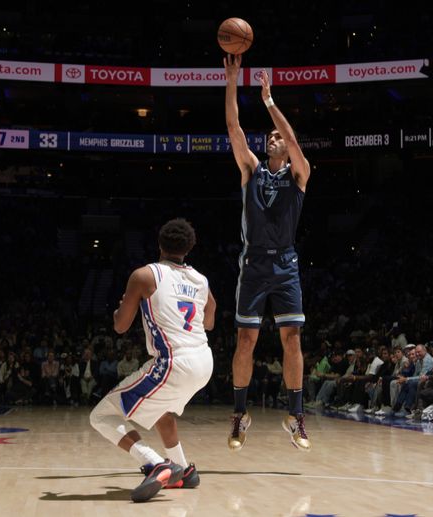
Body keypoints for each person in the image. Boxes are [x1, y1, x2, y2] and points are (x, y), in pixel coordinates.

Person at [88, 218, 217, 503]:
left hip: (173, 363)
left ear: (159, 244)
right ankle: (183, 469)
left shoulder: (145, 275)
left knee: (101, 416)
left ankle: (156, 463)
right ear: (190, 248)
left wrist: (118, 310)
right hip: (204, 361)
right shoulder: (200, 279)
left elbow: (120, 326)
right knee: (161, 411)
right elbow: (210, 317)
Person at [224, 54, 312, 452]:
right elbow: (233, 127)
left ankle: (295, 415)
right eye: (270, 136)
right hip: (255, 260)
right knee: (246, 341)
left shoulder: (299, 172)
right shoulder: (252, 170)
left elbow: (292, 140)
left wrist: (269, 100)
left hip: (286, 262)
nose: (272, 138)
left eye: (276, 137)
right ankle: (240, 413)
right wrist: (231, 80)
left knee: (292, 339)